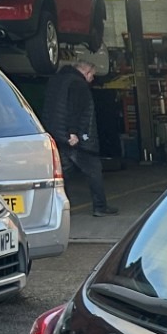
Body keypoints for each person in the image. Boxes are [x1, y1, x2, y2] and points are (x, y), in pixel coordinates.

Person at [42, 52, 118, 216]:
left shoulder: (56, 81)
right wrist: (73, 132)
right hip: (74, 138)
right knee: (94, 169)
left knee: (63, 174)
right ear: (87, 72)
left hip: (56, 134)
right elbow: (75, 110)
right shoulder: (78, 84)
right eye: (93, 76)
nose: (92, 79)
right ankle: (100, 206)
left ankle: (59, 209)